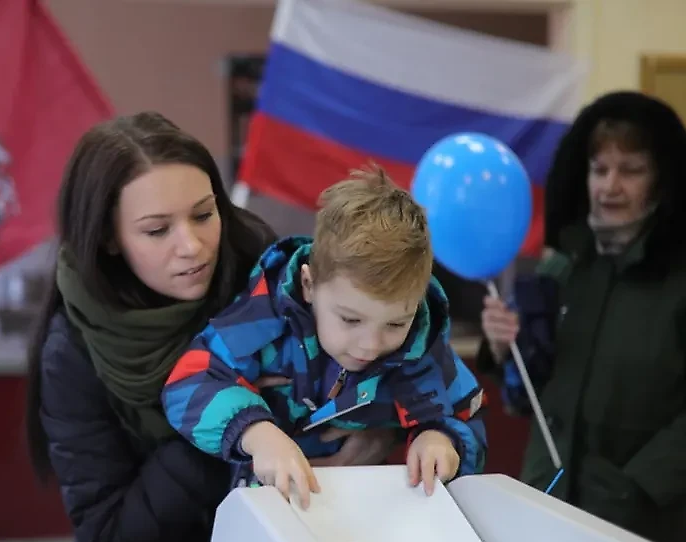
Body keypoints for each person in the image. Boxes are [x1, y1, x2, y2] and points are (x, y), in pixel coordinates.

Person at [24, 112, 400, 542]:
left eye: (204, 214)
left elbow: (377, 363)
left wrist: (381, 431)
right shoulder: (74, 350)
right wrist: (235, 427)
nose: (193, 246)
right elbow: (111, 535)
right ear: (110, 238)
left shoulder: (271, 280)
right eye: (157, 229)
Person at [478, 91, 686, 542]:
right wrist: (507, 349)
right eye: (599, 169)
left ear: (662, 181)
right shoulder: (565, 266)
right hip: (547, 503)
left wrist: (638, 485)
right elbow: (530, 399)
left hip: (643, 522)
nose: (610, 186)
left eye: (631, 170)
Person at [162, 167, 488, 509]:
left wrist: (442, 439)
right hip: (262, 507)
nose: (370, 345)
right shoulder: (264, 318)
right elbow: (188, 383)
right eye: (350, 319)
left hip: (365, 512)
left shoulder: (424, 347)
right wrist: (256, 434)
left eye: (395, 324)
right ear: (309, 284)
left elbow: (468, 413)